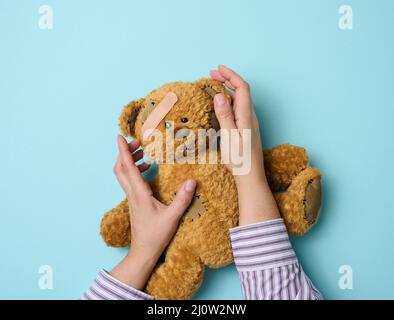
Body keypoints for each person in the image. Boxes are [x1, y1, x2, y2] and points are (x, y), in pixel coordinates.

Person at [81, 66, 323, 300]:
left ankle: (296, 209)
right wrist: (250, 174)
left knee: (279, 197)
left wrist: (141, 253)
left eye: (184, 119)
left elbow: (278, 163)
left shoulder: (217, 155)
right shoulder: (159, 183)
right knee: (180, 267)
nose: (176, 130)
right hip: (194, 246)